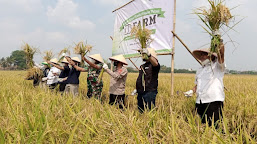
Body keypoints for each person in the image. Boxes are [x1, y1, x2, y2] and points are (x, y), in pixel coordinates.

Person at [184, 42, 225, 127]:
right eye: (201, 55)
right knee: (202, 126)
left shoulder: (217, 67)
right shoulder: (200, 70)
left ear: (211, 56)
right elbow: (198, 84)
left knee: (214, 127)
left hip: (213, 101)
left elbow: (221, 54)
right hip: (200, 101)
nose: (202, 57)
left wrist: (219, 40)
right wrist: (192, 91)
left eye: (204, 54)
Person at [135, 48, 160, 113]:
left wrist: (149, 55)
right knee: (140, 111)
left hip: (149, 91)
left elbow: (155, 63)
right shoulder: (142, 66)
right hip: (140, 92)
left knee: (150, 111)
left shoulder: (154, 66)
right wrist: (137, 88)